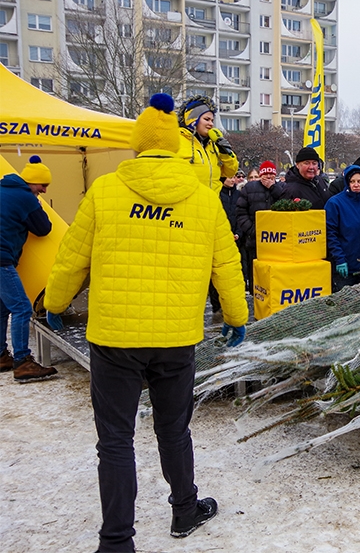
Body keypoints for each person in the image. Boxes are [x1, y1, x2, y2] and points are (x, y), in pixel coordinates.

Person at [43, 94, 248, 552]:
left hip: (115, 337)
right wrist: (236, 317)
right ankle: (184, 509)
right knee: (173, 429)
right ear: (176, 146)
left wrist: (54, 304)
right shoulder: (200, 197)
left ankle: (116, 541)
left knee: (114, 440)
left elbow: (71, 259)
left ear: (136, 146)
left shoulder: (105, 190)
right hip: (175, 338)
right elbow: (227, 265)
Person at [0, 155, 58, 382]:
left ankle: (2, 356)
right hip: (2, 258)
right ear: (32, 182)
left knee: (3, 308)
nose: (43, 190)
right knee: (23, 308)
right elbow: (44, 229)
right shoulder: (25, 197)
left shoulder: (4, 189)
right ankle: (23, 362)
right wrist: (39, 206)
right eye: (42, 185)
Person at [325, 165, 360, 291]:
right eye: (352, 181)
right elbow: (331, 234)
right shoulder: (335, 203)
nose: (356, 184)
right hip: (346, 265)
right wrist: (339, 259)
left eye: (359, 181)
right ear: (347, 182)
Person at [235, 161, 285, 292]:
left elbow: (287, 205)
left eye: (271, 174)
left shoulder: (281, 187)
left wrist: (274, 188)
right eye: (266, 174)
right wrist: (252, 230)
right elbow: (241, 212)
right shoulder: (249, 188)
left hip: (278, 242)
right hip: (254, 241)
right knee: (256, 276)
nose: (268, 177)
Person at [176, 95, 239, 193]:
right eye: (206, 119)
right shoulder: (177, 140)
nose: (211, 124)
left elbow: (230, 172)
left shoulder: (213, 145)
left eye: (212, 120)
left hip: (211, 203)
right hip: (186, 203)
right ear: (192, 120)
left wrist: (225, 153)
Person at [210, 174, 243, 315]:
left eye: (233, 177)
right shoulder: (216, 195)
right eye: (228, 177)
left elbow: (241, 214)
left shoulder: (239, 195)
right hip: (220, 238)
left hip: (236, 238)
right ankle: (216, 306)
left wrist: (238, 233)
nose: (232, 179)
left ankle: (233, 307)